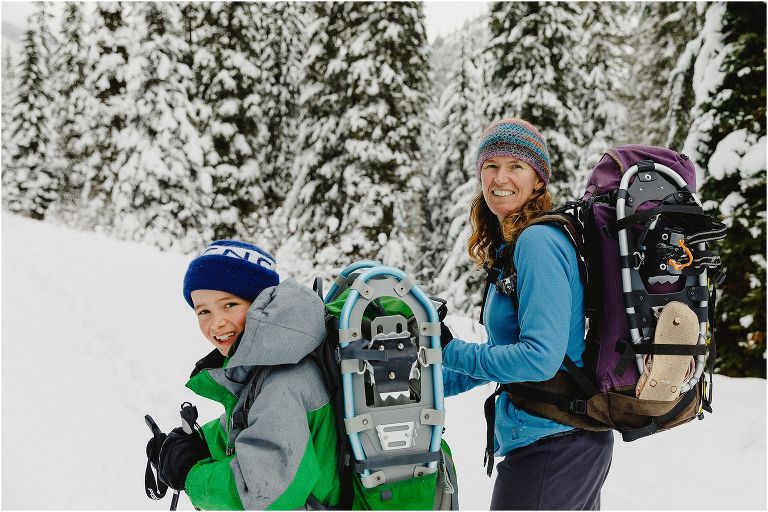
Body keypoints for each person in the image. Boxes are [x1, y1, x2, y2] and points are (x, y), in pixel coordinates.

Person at [439, 119, 613, 510]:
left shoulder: (537, 242)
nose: (500, 177)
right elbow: (505, 352)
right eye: (491, 165)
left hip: (554, 445)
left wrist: (450, 350)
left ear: (538, 180)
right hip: (561, 442)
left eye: (516, 166)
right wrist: (431, 381)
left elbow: (538, 359)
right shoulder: (517, 245)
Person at [152, 240, 340, 510]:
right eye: (203, 311)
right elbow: (252, 423)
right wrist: (197, 443)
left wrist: (188, 474)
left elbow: (262, 492)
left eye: (229, 305)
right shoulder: (275, 360)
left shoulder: (283, 382)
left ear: (260, 304)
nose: (216, 323)